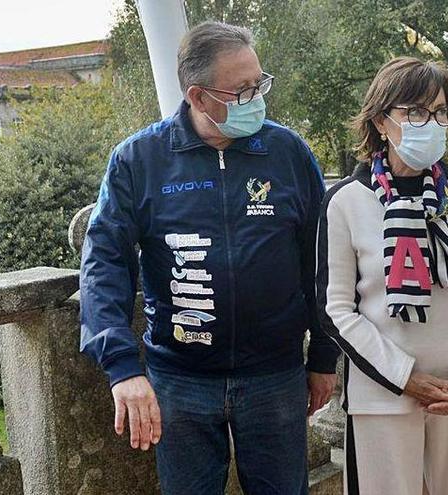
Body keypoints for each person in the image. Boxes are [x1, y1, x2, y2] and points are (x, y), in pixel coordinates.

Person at [79, 21, 339, 495]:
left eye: (259, 83)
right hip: (179, 383)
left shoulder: (288, 153)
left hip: (275, 377)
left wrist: (323, 355)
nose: (257, 98)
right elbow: (104, 264)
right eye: (242, 90)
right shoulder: (139, 160)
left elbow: (321, 261)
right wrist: (122, 367)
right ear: (198, 97)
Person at [316, 56, 448, 495]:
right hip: (383, 396)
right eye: (416, 112)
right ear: (382, 121)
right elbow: (336, 309)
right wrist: (405, 377)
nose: (432, 123)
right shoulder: (346, 201)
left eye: (441, 112)